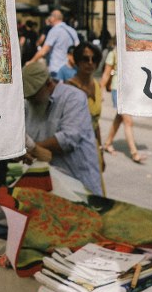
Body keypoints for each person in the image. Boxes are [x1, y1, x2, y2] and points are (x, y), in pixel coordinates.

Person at [22, 61, 104, 195]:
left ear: (48, 84)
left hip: (78, 180)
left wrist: (32, 148)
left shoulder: (73, 97)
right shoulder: (29, 103)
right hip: (48, 183)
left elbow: (68, 139)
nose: (30, 100)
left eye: (33, 96)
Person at [66, 41, 106, 188]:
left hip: (93, 147)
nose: (90, 63)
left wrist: (100, 150)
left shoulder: (96, 84)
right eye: (85, 59)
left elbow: (96, 124)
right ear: (76, 61)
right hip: (76, 151)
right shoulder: (68, 87)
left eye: (94, 59)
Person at [101, 46, 143, 164]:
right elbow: (106, 74)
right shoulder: (113, 53)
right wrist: (100, 92)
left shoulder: (131, 51)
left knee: (119, 117)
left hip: (128, 90)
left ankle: (108, 143)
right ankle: (134, 153)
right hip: (118, 90)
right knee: (128, 121)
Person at [29, 9, 80, 78]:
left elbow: (44, 50)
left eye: (50, 17)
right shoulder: (72, 30)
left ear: (53, 18)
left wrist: (31, 62)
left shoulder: (54, 31)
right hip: (71, 69)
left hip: (57, 70)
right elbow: (78, 47)